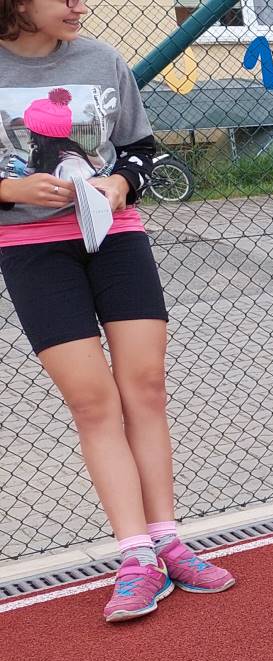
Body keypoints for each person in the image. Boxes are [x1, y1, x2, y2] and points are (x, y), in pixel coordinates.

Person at [1, 0, 236, 622]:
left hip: (116, 238)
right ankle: (135, 557)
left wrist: (120, 184)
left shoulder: (104, 60)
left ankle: (168, 541)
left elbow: (137, 148)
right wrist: (9, 189)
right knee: (93, 401)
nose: (79, 6)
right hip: (30, 251)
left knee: (146, 388)